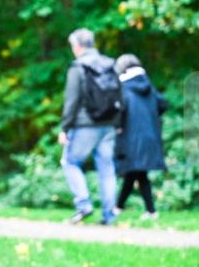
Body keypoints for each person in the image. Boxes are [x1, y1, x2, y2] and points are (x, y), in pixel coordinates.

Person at [59, 28, 121, 225]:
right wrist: (118, 122)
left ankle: (83, 204)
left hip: (85, 124)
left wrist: (65, 128)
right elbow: (121, 96)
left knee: (69, 161)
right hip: (109, 124)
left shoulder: (78, 67)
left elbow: (72, 100)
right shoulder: (110, 64)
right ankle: (109, 215)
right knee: (107, 169)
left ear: (77, 46)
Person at [113, 54, 167, 219]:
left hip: (131, 138)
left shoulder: (123, 88)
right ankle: (122, 207)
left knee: (136, 172)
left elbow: (119, 112)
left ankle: (147, 210)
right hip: (149, 136)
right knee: (135, 173)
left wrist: (118, 126)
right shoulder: (148, 86)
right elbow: (163, 104)